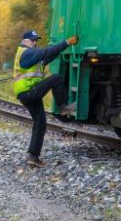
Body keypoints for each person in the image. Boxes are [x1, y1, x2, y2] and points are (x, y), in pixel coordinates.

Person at [13, 29, 79, 167]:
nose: (35, 42)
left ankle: (33, 156)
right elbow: (45, 52)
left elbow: (50, 54)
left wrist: (63, 47)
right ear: (25, 41)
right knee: (56, 79)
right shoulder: (26, 52)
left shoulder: (33, 55)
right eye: (33, 40)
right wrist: (66, 42)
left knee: (40, 123)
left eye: (37, 40)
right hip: (28, 92)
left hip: (30, 92)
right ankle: (63, 107)